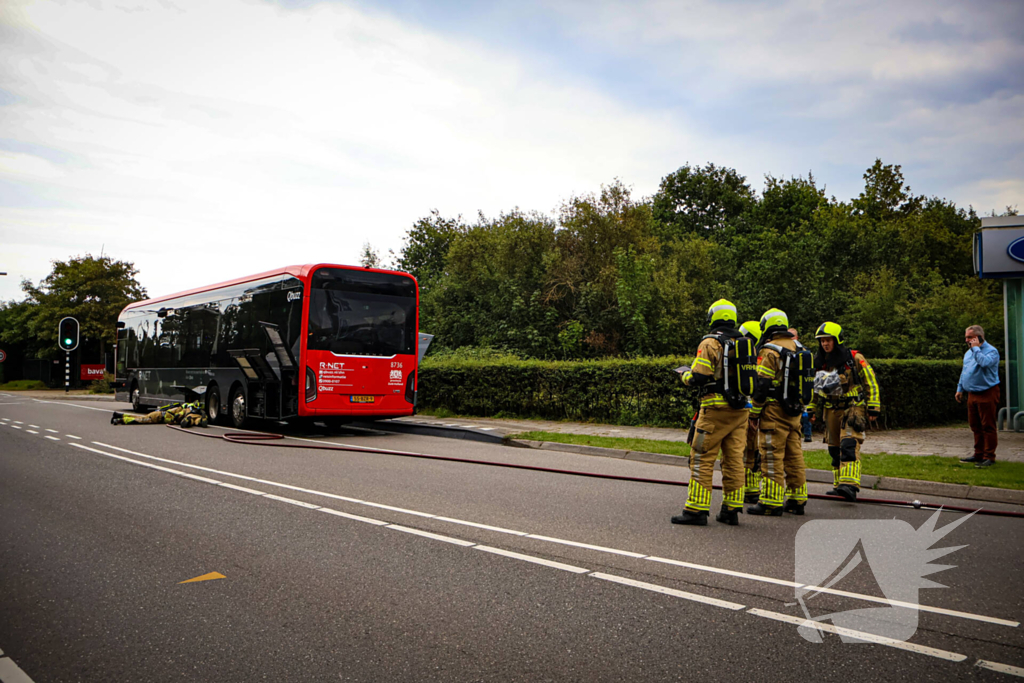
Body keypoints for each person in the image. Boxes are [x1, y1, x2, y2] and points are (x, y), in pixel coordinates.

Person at [672, 299, 750, 527]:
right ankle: (731, 510)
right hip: (739, 412)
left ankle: (696, 510)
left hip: (714, 411)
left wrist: (684, 375)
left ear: (712, 317)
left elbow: (700, 376)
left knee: (701, 457)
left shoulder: (710, 342)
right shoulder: (744, 342)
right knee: (734, 459)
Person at [807, 322, 880, 501]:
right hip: (831, 410)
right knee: (834, 449)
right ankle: (839, 484)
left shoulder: (854, 359)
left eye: (828, 340)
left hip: (852, 408)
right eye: (822, 341)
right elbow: (813, 388)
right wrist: (811, 409)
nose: (825, 344)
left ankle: (850, 485)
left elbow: (871, 381)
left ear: (837, 340)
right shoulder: (819, 363)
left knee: (849, 444)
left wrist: (874, 407)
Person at [747, 308, 808, 516]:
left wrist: (754, 413)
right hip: (795, 410)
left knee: (772, 455)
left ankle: (771, 502)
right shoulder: (798, 346)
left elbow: (762, 385)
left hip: (774, 411)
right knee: (794, 455)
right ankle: (797, 499)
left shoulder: (769, 350)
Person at [957, 325, 1001, 467]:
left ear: (978, 337)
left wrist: (976, 348)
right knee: (975, 425)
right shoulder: (968, 353)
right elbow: (965, 371)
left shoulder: (991, 351)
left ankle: (989, 456)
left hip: (987, 392)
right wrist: (960, 388)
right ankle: (978, 454)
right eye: (966, 337)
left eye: (969, 337)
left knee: (987, 425)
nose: (966, 340)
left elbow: (984, 363)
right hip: (972, 393)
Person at [739, 320, 763, 503]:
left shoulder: (754, 357)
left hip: (751, 412)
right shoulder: (759, 355)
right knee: (752, 451)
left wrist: (753, 415)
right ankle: (752, 489)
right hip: (758, 411)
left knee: (748, 450)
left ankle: (750, 489)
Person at [790, 327, 813, 443]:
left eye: (792, 336)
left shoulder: (804, 350)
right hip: (792, 386)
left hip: (803, 385)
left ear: (797, 337)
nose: (791, 338)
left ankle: (808, 435)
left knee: (805, 414)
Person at [112, 401, 208, 428]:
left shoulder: (193, 415)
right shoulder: (183, 409)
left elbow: (199, 422)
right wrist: (181, 416)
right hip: (159, 416)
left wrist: (202, 419)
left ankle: (120, 416)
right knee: (142, 420)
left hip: (159, 416)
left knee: (141, 418)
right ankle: (121, 419)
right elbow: (178, 416)